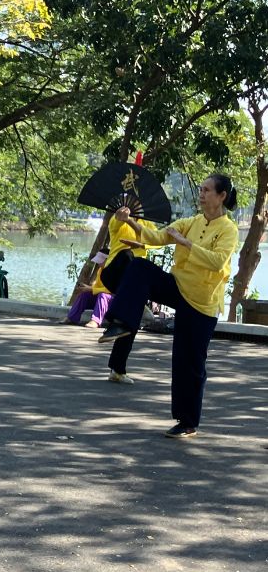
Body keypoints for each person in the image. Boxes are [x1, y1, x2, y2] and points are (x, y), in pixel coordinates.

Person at [98, 173, 239, 438]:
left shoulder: (228, 229)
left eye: (207, 190)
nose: (201, 194)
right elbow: (159, 237)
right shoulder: (192, 222)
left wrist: (186, 243)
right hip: (178, 287)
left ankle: (187, 423)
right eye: (200, 189)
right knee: (139, 267)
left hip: (202, 302)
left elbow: (217, 262)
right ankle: (122, 323)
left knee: (189, 363)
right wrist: (130, 221)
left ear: (221, 196)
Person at [61, 249, 112, 328]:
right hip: (101, 299)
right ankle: (71, 318)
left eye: (101, 261)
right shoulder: (100, 270)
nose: (99, 263)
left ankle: (96, 321)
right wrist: (88, 288)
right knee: (85, 294)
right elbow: (98, 287)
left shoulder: (116, 271)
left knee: (103, 295)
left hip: (112, 300)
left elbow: (112, 290)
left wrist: (91, 289)